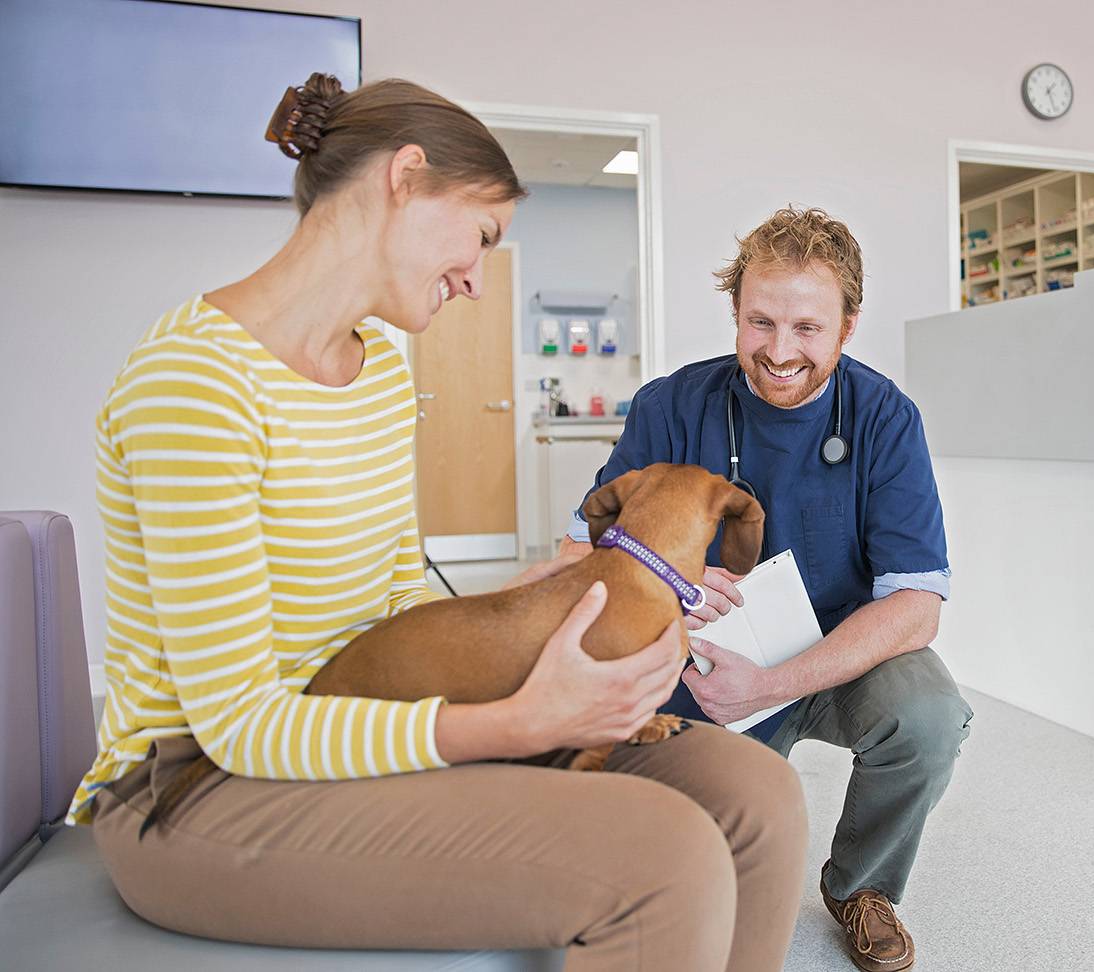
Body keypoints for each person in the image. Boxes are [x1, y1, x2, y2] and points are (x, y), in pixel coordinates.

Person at [69, 72, 805, 972]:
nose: (478, 282)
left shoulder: (376, 367)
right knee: (667, 856)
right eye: (483, 236)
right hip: (203, 790)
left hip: (363, 715)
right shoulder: (192, 385)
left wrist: (529, 610)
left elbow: (394, 610)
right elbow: (238, 724)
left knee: (757, 794)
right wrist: (521, 724)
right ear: (405, 176)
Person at [559, 207, 972, 972]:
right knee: (690, 865)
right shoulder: (671, 407)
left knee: (929, 719)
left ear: (848, 327)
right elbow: (579, 542)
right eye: (760, 323)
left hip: (839, 653)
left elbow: (917, 603)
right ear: (737, 314)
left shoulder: (885, 418)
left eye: (808, 329)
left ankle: (861, 888)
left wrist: (774, 684)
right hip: (705, 659)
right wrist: (663, 577)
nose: (779, 353)